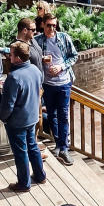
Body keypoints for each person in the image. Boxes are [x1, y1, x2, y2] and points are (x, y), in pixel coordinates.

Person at [1, 41, 46, 192]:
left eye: (11, 54)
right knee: (32, 146)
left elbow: (8, 104)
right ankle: (40, 176)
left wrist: (4, 117)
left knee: (21, 152)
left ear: (18, 58)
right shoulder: (35, 70)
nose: (9, 56)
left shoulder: (13, 77)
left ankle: (24, 183)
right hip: (32, 117)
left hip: (17, 121)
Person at [35, 14, 78, 166]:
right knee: (51, 114)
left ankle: (63, 147)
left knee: (63, 115)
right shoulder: (38, 40)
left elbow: (74, 56)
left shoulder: (64, 38)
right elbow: (23, 50)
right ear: (43, 25)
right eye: (49, 25)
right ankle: (59, 144)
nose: (52, 28)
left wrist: (61, 66)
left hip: (64, 83)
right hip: (47, 83)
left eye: (54, 25)